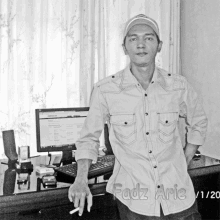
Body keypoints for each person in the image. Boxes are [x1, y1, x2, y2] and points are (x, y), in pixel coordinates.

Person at [68, 14, 208, 219]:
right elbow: (88, 138)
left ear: (159, 46)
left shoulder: (178, 86)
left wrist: (184, 159)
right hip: (134, 201)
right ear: (124, 47)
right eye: (133, 39)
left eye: (148, 38)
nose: (141, 44)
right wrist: (80, 179)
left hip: (179, 196)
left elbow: (199, 122)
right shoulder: (105, 90)